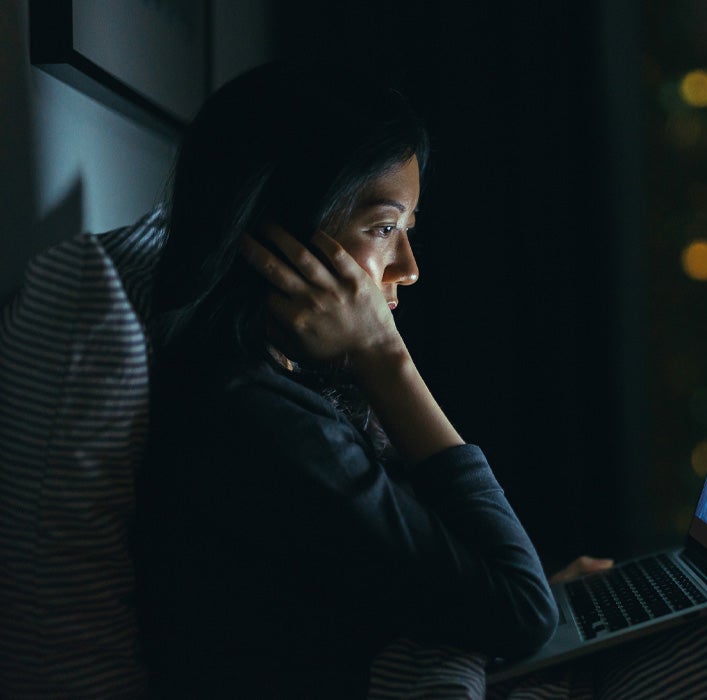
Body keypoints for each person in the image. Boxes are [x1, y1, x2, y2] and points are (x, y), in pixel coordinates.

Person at [133, 61, 608, 698]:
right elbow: (521, 614)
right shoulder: (259, 424)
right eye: (384, 229)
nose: (408, 267)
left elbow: (458, 590)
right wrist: (386, 358)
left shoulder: (279, 389)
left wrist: (506, 589)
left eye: (406, 231)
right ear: (279, 229)